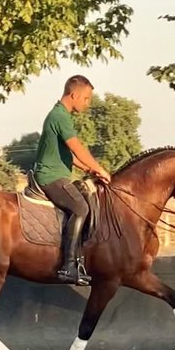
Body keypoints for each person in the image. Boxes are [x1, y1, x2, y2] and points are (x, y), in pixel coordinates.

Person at [32, 75, 111, 285]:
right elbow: (77, 148)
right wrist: (100, 169)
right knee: (80, 208)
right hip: (50, 176)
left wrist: (89, 169)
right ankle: (68, 267)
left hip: (56, 173)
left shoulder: (60, 115)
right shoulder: (60, 116)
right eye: (86, 98)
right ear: (74, 95)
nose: (87, 103)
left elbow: (69, 156)